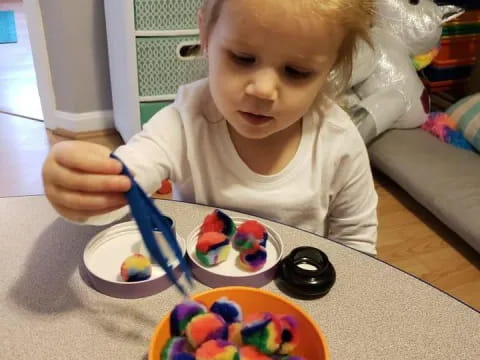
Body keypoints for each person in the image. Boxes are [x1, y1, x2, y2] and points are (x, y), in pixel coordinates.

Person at [42, 0, 378, 255]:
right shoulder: (186, 120)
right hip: (203, 295)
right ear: (205, 33)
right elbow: (129, 178)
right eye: (243, 58)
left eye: (296, 72)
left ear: (329, 67)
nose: (262, 89)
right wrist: (89, 186)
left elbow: (357, 245)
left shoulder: (338, 142)